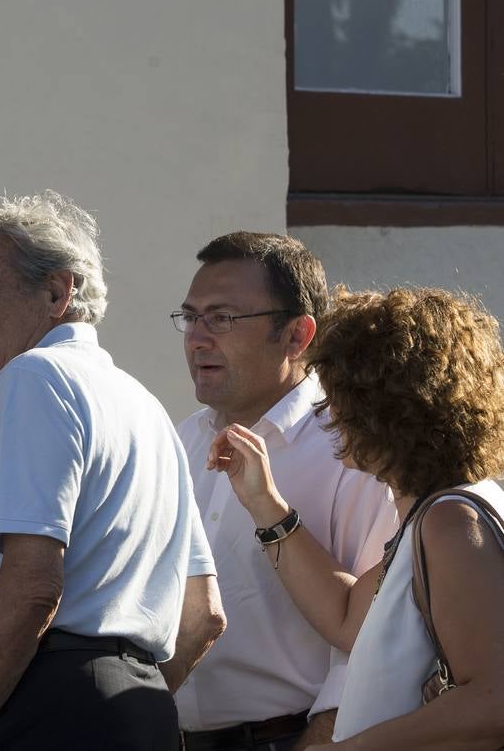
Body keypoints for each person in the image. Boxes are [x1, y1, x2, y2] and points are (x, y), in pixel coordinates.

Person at [0, 191, 208, 750]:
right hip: (135, 708)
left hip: (41, 704)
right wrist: (119, 705)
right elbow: (203, 615)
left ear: (57, 291)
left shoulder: (35, 376)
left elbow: (33, 584)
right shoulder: (147, 406)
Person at [211, 286, 504, 749]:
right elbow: (347, 620)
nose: (329, 413)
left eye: (339, 395)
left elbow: (493, 701)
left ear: (385, 408)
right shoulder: (436, 515)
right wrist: (264, 501)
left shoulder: (449, 521)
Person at [171, 232, 397, 751]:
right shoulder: (179, 441)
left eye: (222, 318)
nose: (197, 337)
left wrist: (320, 738)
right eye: (191, 317)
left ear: (297, 336)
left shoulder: (353, 448)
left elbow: (375, 633)